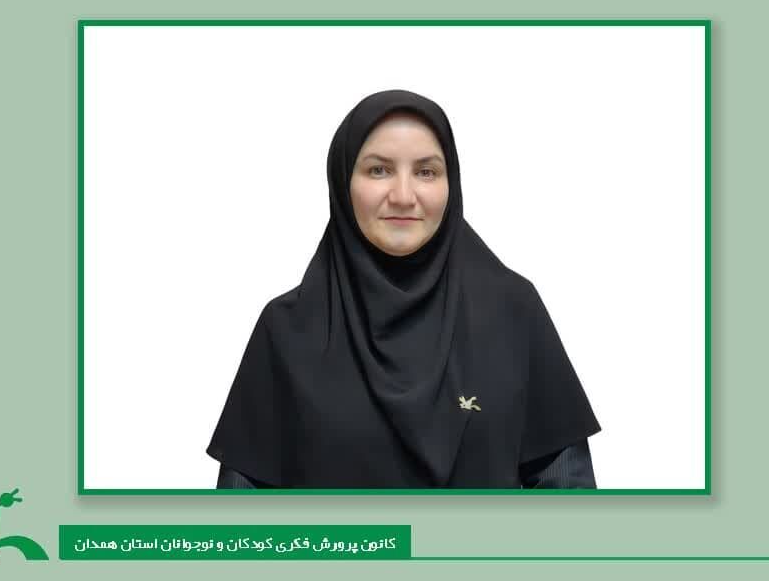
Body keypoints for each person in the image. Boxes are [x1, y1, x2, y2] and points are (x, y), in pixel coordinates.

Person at [206, 89, 600, 489]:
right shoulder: (286, 331)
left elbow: (569, 498)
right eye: (379, 170)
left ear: (451, 182)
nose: (403, 196)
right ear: (342, 181)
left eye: (426, 172)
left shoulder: (513, 313)